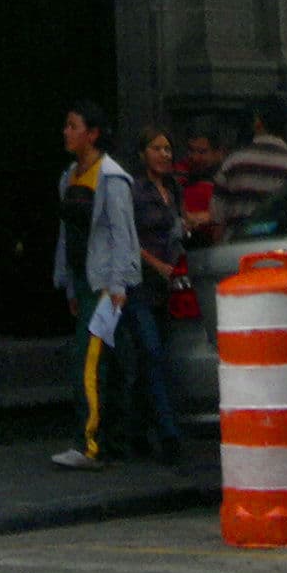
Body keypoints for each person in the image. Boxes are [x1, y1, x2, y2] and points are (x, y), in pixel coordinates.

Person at [49, 101, 140, 468]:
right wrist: (68, 283)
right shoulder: (70, 176)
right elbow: (67, 233)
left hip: (105, 285)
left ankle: (89, 443)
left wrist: (118, 284)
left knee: (87, 362)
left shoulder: (111, 178)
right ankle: (111, 439)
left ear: (93, 133)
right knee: (104, 362)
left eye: (74, 126)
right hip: (84, 280)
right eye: (66, 125)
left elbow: (122, 233)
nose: (67, 132)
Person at [116, 126, 188, 465]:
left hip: (167, 285)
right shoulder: (134, 190)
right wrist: (156, 264)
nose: (165, 155)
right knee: (151, 351)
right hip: (139, 282)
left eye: (168, 149)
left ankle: (135, 431)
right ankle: (169, 435)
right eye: (157, 148)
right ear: (143, 153)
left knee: (152, 358)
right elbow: (128, 238)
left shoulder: (173, 188)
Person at [214, 105, 287, 235]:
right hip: (280, 245)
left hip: (237, 245)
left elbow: (217, 217)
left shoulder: (233, 162)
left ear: (258, 124)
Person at [177, 128, 223, 236]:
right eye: (191, 151)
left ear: (218, 153)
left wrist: (211, 217)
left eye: (202, 152)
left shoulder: (229, 180)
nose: (195, 157)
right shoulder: (177, 174)